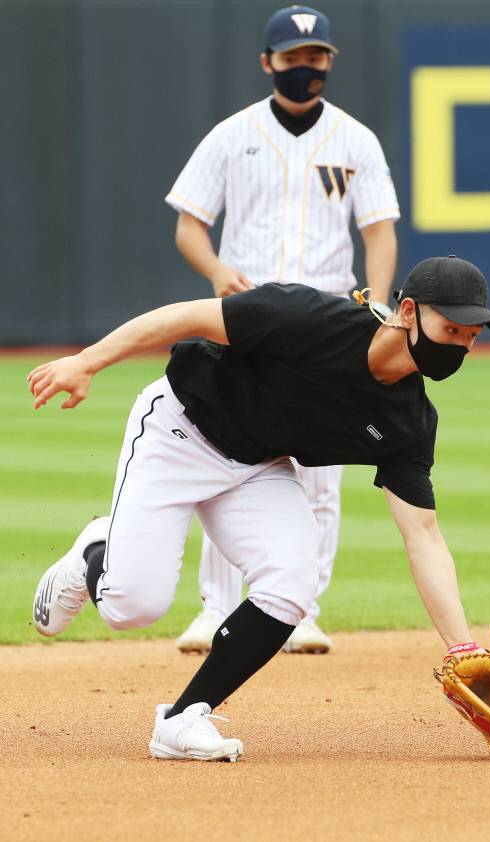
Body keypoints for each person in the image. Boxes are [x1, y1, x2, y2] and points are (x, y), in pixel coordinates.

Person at [30, 255, 490, 763]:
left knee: (292, 581)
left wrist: (463, 650)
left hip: (256, 467)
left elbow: (424, 538)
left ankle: (183, 718)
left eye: (471, 337)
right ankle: (97, 551)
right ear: (408, 311)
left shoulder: (408, 422)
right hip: (180, 430)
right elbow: (187, 316)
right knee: (133, 607)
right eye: (451, 328)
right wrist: (87, 362)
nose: (459, 345)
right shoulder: (307, 317)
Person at [166, 4, 399, 655]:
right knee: (225, 461)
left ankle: (300, 610)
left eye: (316, 56)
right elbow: (189, 224)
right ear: (267, 62)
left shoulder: (355, 140)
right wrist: (216, 271)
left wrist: (375, 308)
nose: (306, 67)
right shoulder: (230, 135)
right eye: (294, 58)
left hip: (329, 323)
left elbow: (378, 232)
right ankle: (215, 608)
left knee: (321, 473)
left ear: (329, 61)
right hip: (250, 321)